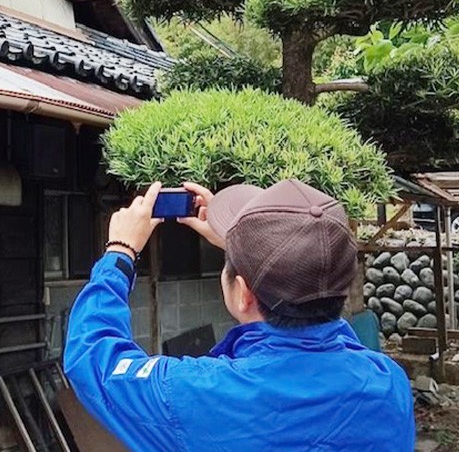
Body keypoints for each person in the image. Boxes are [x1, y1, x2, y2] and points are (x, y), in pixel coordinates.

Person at [64, 179, 415, 451]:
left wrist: (120, 252)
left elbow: (91, 356)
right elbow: (322, 318)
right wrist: (253, 248)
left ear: (244, 294)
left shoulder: (196, 393)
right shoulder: (387, 383)